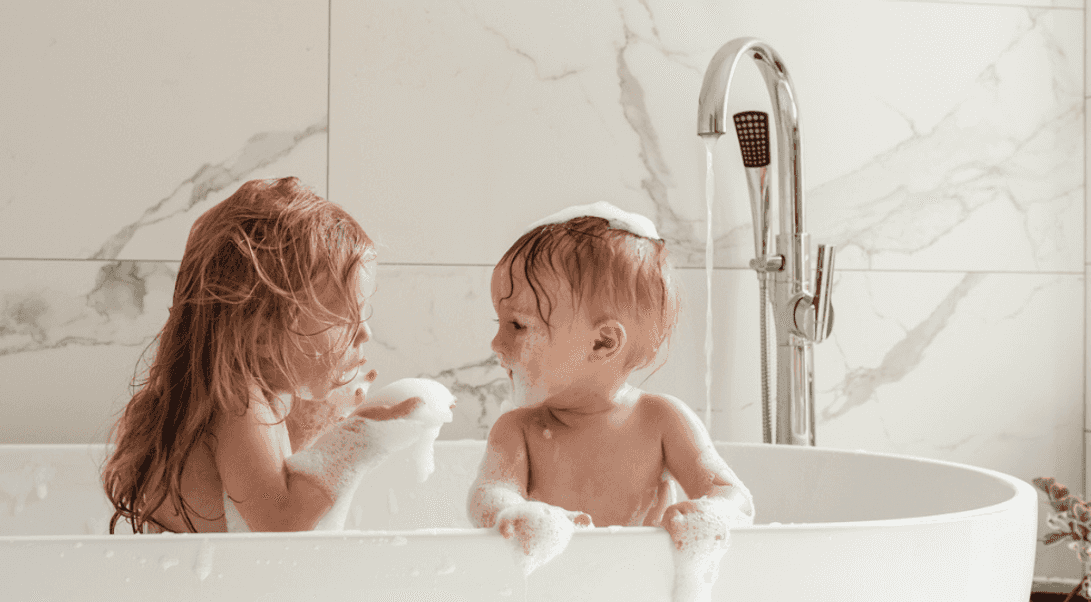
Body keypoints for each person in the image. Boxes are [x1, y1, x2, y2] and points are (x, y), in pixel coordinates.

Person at [102, 177, 434, 534]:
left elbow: (261, 492)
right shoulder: (240, 406)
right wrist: (358, 439)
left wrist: (315, 425)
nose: (364, 333)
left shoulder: (239, 403)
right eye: (344, 317)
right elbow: (284, 526)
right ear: (261, 334)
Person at [467, 202, 754, 570]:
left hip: (641, 588)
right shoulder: (519, 429)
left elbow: (731, 495)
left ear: (602, 343)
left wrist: (711, 513)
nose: (496, 344)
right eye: (500, 322)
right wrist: (517, 515)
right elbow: (489, 493)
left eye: (518, 325)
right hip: (551, 587)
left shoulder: (662, 420)